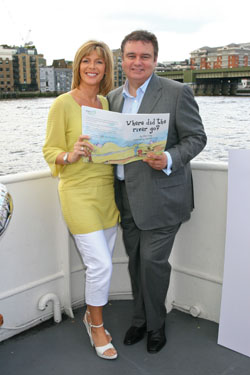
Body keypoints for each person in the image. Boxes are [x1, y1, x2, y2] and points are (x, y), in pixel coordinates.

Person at [107, 30, 207, 354]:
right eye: (132, 56)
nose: (138, 62)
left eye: (145, 56)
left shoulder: (178, 92)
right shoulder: (113, 99)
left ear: (155, 60)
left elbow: (196, 138)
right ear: (122, 60)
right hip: (125, 196)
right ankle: (139, 319)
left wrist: (168, 158)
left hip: (163, 196)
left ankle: (156, 325)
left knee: (152, 262)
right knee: (135, 262)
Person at [43, 40, 119, 360]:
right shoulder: (62, 103)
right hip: (76, 191)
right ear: (78, 66)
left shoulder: (106, 102)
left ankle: (91, 315)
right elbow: (49, 150)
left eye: (98, 62)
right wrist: (70, 153)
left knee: (104, 262)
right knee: (99, 264)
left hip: (107, 192)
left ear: (105, 69)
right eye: (86, 60)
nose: (92, 66)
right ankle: (97, 326)